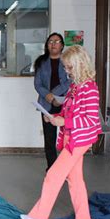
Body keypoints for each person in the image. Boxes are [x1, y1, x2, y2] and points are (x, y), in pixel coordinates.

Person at [21, 45, 102, 219]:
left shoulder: (89, 88)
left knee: (53, 175)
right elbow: (69, 111)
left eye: (69, 67)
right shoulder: (75, 86)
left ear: (80, 64)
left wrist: (64, 122)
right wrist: (56, 117)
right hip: (70, 137)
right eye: (66, 67)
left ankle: (39, 216)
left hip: (79, 140)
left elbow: (90, 119)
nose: (66, 71)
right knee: (75, 180)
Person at [34, 33, 70, 170]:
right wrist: (48, 96)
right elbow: (37, 84)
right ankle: (52, 168)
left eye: (56, 41)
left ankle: (66, 168)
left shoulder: (68, 61)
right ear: (47, 44)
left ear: (62, 45)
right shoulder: (41, 62)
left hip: (65, 104)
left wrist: (54, 94)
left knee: (67, 139)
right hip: (46, 104)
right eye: (50, 41)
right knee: (49, 139)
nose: (53, 44)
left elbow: (70, 81)